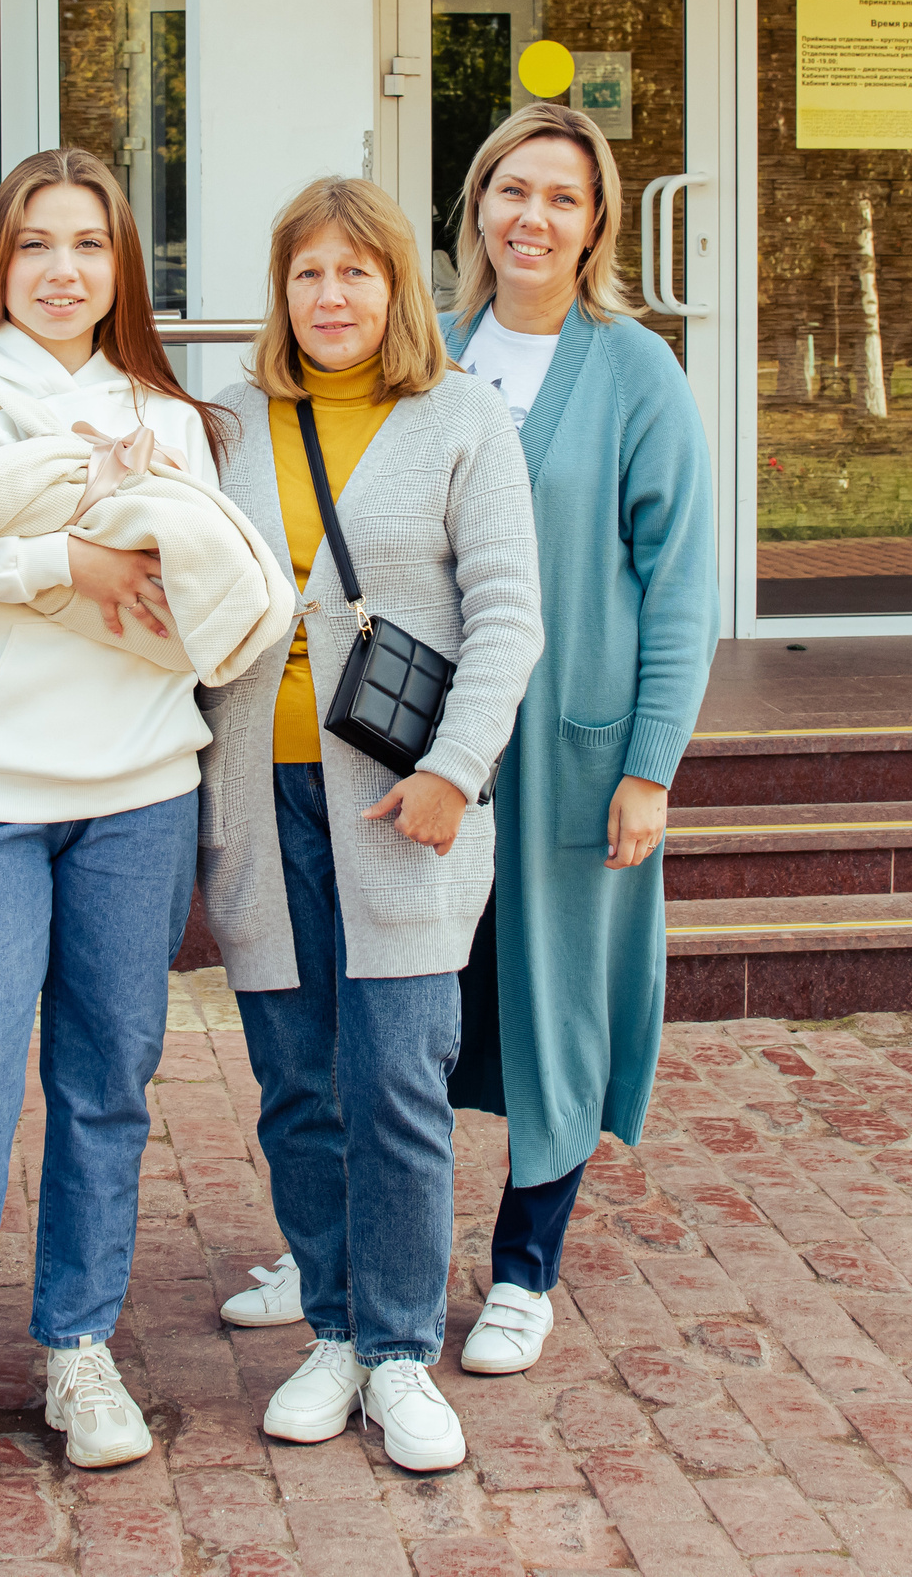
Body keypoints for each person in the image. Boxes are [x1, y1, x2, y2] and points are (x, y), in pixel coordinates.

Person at [0, 149, 259, 1520]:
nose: (64, 270)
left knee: (108, 1080)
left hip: (140, 785)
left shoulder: (168, 414)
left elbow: (210, 600)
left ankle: (78, 1346)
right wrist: (55, 560)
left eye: (89, 244)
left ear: (123, 264)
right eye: (36, 243)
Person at [196, 177, 539, 1472]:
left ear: (397, 285)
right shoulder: (226, 420)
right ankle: (333, 1327)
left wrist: (459, 766)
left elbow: (509, 611)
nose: (331, 298)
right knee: (297, 1083)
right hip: (252, 794)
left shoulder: (459, 419)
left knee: (397, 1081)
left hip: (404, 803)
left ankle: (399, 1354)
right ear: (278, 292)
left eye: (356, 273)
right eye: (307, 275)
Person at [441, 101, 716, 1378]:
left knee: (556, 1001)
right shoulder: (429, 351)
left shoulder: (632, 370)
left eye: (559, 195)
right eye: (510, 189)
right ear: (477, 206)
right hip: (433, 743)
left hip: (573, 745)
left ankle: (523, 1267)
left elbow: (679, 583)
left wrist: (650, 765)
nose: (531, 217)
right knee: (405, 1000)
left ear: (596, 221)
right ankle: (339, 1240)